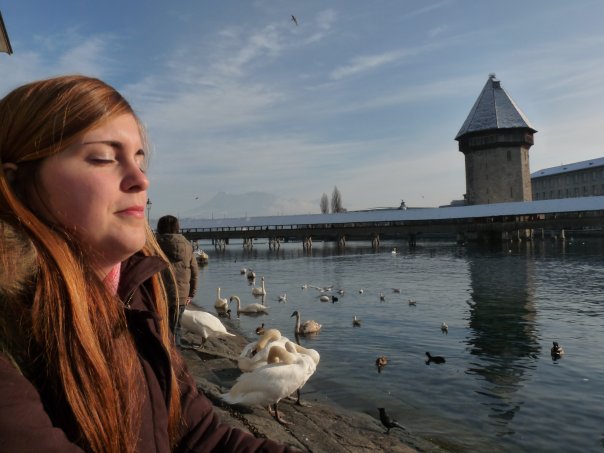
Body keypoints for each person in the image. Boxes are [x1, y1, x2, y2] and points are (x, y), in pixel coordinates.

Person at [0, 75, 296, 452]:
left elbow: (198, 437)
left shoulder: (138, 298)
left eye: (140, 160)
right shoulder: (12, 335)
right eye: (103, 158)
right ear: (17, 184)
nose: (141, 180)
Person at [156, 214, 198, 346]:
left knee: (160, 326)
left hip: (159, 293)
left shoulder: (154, 244)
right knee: (176, 328)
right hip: (181, 295)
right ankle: (175, 354)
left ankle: (162, 352)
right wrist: (191, 294)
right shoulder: (187, 246)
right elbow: (194, 272)